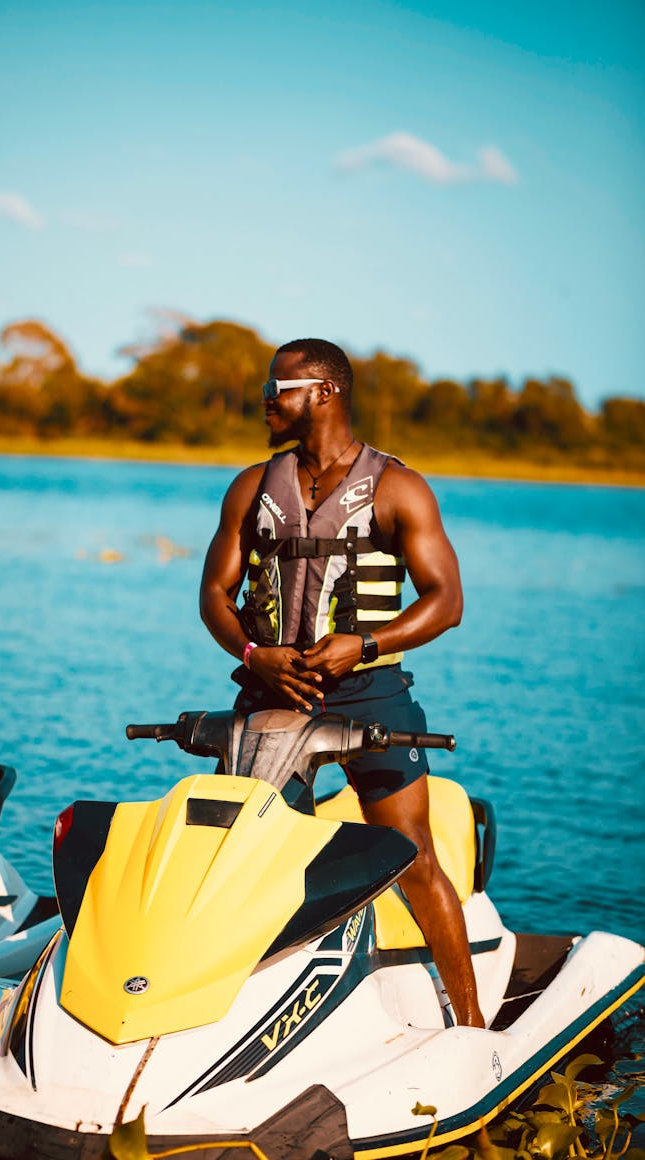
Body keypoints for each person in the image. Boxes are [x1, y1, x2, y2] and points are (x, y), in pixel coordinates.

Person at [199, 337, 484, 1027]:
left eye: (282, 386)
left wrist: (366, 644)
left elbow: (446, 600)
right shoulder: (251, 486)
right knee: (240, 853)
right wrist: (250, 650)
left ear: (323, 392)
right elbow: (213, 589)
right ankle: (222, 1010)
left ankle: (474, 1026)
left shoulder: (398, 487)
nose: (269, 398)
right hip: (271, 691)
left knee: (414, 858)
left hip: (371, 694)